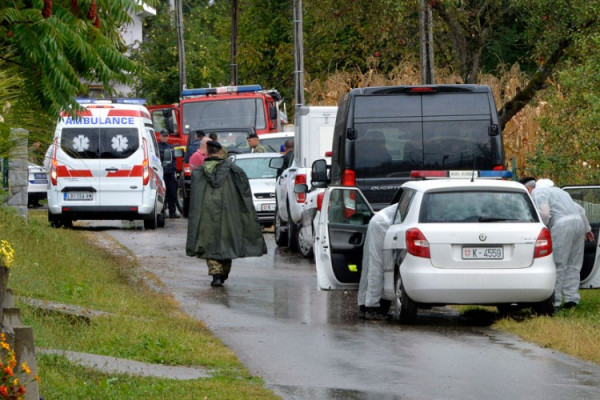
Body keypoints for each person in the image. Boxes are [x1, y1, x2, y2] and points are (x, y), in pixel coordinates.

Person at [186, 140, 267, 287]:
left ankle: (216, 274)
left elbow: (194, 197)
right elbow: (244, 192)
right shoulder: (234, 170)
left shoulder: (199, 172)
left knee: (209, 242)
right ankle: (222, 273)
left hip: (207, 213)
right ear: (221, 152)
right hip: (230, 211)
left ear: (208, 153)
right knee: (227, 242)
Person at [520, 177, 594, 310]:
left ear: (529, 188)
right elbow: (581, 210)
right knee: (574, 264)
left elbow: (545, 213)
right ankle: (572, 299)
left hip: (561, 225)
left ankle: (556, 301)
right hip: (578, 224)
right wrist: (587, 229)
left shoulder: (539, 192)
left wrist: (539, 229)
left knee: (558, 264)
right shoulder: (561, 193)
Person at [357, 203, 396, 320]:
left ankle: (364, 305)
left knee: (369, 264)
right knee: (380, 264)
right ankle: (372, 308)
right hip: (382, 224)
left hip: (378, 220)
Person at [158, 130, 180, 218]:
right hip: (161, 173)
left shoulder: (171, 147)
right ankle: (162, 211)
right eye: (163, 136)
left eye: (166, 136)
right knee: (163, 193)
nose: (165, 137)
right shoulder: (156, 146)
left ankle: (172, 212)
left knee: (172, 193)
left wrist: (174, 170)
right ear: (160, 136)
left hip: (170, 173)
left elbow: (175, 159)